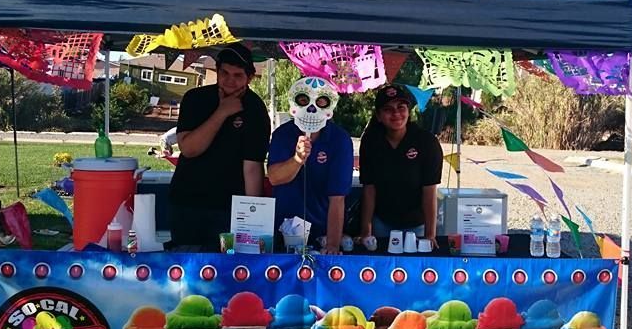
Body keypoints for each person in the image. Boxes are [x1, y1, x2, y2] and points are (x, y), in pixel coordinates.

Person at [169, 43, 271, 248]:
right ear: (216, 70)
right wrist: (222, 112)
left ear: (249, 78)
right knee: (185, 266)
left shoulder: (255, 109)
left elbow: (252, 167)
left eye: (237, 75)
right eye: (224, 73)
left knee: (226, 268)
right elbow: (189, 148)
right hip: (186, 201)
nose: (230, 80)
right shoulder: (195, 98)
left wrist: (254, 218)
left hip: (229, 208)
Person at [268, 78, 352, 254]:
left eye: (321, 101)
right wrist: (297, 159)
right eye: (304, 100)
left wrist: (332, 246)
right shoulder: (282, 134)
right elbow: (275, 178)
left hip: (322, 234)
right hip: (283, 233)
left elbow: (337, 198)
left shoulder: (340, 139)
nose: (312, 107)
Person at [359, 84, 443, 248]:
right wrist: (365, 232)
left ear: (409, 111)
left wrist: (430, 235)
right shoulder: (371, 141)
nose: (396, 113)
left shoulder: (427, 142)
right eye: (388, 109)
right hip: (382, 222)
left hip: (418, 225)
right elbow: (369, 189)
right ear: (378, 115)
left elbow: (430, 190)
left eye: (401, 107)